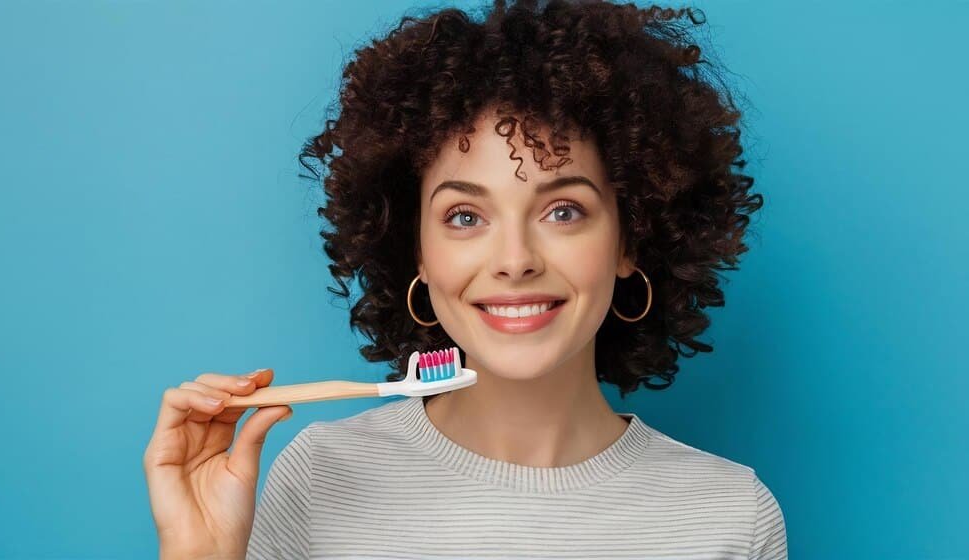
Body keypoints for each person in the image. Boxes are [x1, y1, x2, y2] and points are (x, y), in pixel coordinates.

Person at [144, 0, 787, 558]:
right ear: (415, 250)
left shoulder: (729, 517)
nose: (514, 259)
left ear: (629, 239)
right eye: (465, 215)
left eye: (563, 210)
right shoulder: (321, 478)